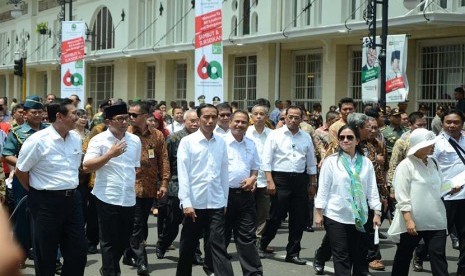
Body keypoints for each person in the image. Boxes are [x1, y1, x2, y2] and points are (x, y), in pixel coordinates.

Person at [15, 98, 87, 276]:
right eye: (73, 114)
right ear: (59, 116)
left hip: (72, 200)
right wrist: (36, 192)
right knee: (45, 255)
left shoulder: (75, 139)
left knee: (78, 253)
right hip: (45, 203)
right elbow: (21, 170)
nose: (77, 117)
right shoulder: (38, 140)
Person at [82, 103, 142, 276]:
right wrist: (109, 155)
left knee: (123, 241)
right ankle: (111, 272)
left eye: (127, 118)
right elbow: (86, 166)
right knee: (108, 241)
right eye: (120, 119)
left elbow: (135, 167)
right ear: (108, 122)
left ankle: (109, 267)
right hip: (106, 196)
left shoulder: (134, 140)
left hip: (128, 197)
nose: (125, 122)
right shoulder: (99, 140)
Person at [315, 125, 381, 275]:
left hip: (360, 216)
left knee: (358, 255)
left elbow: (371, 189)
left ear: (357, 141)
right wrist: (319, 212)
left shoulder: (366, 163)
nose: (345, 140)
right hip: (335, 214)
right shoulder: (331, 162)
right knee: (341, 255)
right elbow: (323, 188)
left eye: (350, 137)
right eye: (342, 137)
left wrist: (377, 211)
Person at [176, 104, 233, 276]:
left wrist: (224, 200)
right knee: (188, 246)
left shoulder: (221, 142)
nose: (210, 121)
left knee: (217, 245)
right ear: (199, 119)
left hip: (215, 202)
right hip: (194, 203)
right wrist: (186, 202)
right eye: (206, 117)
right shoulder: (187, 142)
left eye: (213, 117)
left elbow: (224, 172)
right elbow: (183, 174)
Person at [259, 105, 317, 265]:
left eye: (296, 117)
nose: (292, 120)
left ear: (302, 118)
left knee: (298, 219)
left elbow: (311, 161)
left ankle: (293, 252)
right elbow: (266, 160)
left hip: (300, 180)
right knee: (276, 216)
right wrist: (269, 181)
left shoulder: (305, 137)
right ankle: (262, 244)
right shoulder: (275, 135)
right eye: (289, 117)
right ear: (284, 118)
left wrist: (312, 183)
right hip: (280, 180)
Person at [388, 128, 448, 276]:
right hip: (413, 222)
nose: (433, 146)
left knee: (438, 257)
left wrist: (452, 188)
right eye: (429, 143)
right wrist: (408, 220)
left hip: (436, 219)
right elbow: (401, 196)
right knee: (404, 256)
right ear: (418, 145)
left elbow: (441, 185)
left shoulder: (434, 162)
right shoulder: (406, 166)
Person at [123, 101, 170, 276]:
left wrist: (164, 183)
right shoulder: (125, 134)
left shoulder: (157, 135)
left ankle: (128, 254)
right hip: (130, 187)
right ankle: (142, 262)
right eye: (129, 115)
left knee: (140, 223)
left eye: (134, 115)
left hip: (149, 187)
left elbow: (163, 160)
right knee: (137, 225)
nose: (130, 118)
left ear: (145, 116)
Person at [2, 96, 49, 267]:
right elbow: (7, 155)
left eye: (40, 112)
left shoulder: (50, 130)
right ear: (25, 115)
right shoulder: (16, 132)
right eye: (33, 113)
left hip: (46, 179)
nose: (37, 115)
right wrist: (25, 165)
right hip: (23, 178)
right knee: (22, 217)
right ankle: (20, 253)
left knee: (45, 217)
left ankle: (46, 255)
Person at [155, 110, 203, 265]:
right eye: (192, 121)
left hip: (196, 186)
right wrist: (162, 184)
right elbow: (165, 163)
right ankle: (163, 243)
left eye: (197, 121)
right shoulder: (174, 139)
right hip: (176, 185)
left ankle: (195, 252)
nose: (195, 124)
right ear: (184, 121)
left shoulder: (204, 138)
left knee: (194, 222)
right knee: (172, 222)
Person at [224, 110, 263, 275]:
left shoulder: (250, 143)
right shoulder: (220, 142)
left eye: (243, 122)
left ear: (248, 124)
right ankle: (213, 268)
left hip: (245, 196)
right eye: (237, 121)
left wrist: (253, 178)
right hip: (224, 196)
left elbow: (255, 167)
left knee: (247, 237)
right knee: (221, 237)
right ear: (230, 122)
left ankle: (253, 272)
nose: (239, 125)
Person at [432, 109, 465, 276]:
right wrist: (446, 187)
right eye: (448, 122)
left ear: (462, 124)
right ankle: (421, 253)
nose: (452, 125)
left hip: (464, 196)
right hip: (446, 196)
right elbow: (431, 169)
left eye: (456, 122)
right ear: (442, 124)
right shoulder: (437, 143)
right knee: (439, 236)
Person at [245, 105, 272, 251]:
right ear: (252, 116)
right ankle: (247, 239)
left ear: (267, 117)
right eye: (256, 114)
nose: (259, 116)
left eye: (262, 114)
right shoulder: (246, 132)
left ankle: (258, 240)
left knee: (263, 212)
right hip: (249, 178)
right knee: (248, 211)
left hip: (265, 178)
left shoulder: (272, 134)